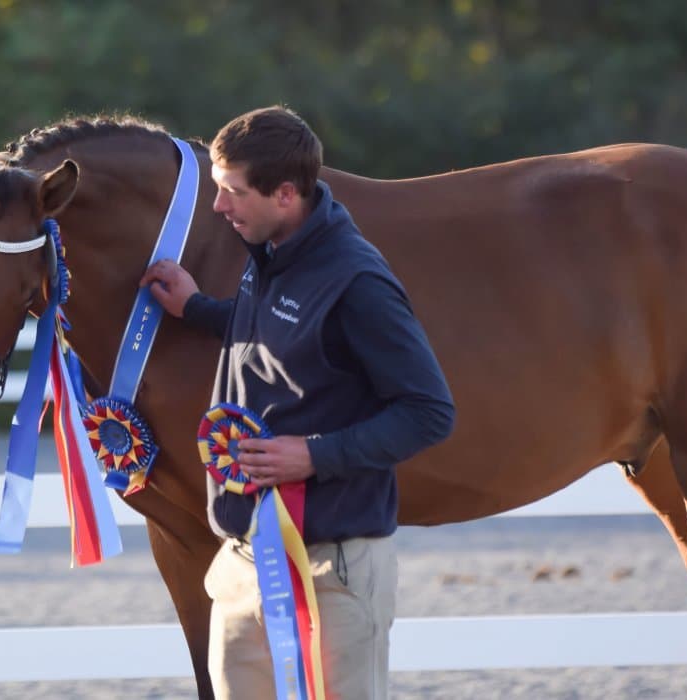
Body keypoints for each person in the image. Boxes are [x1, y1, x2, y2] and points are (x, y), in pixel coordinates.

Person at [140, 106, 455, 699]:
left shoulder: (358, 281)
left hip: (331, 573)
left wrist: (313, 455)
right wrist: (198, 308)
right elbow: (285, 334)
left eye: (233, 191)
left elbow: (430, 411)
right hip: (243, 563)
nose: (218, 206)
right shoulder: (269, 252)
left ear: (285, 194)